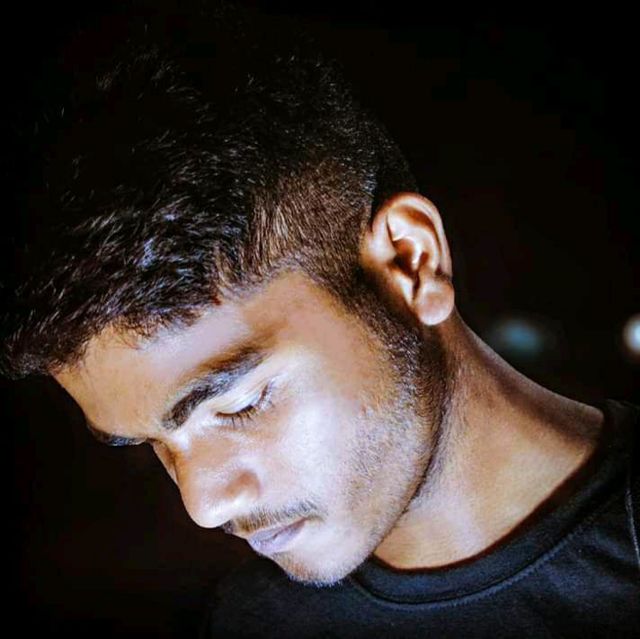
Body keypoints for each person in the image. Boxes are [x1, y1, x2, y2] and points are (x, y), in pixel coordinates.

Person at [2, 2, 638, 637]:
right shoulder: (249, 621)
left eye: (241, 405)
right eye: (152, 445)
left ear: (411, 264)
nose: (204, 504)